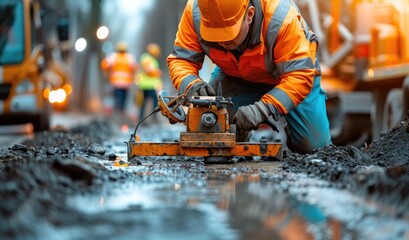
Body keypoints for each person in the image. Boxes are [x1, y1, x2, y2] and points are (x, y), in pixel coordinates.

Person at [167, 0, 331, 154]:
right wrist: (192, 85)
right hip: (236, 75)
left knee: (314, 148)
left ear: (250, 15)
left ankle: (296, 128)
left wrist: (263, 109)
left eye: (228, 34)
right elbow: (181, 60)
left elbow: (299, 75)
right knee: (214, 132)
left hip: (291, 77)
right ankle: (240, 131)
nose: (221, 42)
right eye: (214, 35)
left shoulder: (280, 18)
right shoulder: (197, 11)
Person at [101, 41, 137, 119]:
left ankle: (118, 113)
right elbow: (134, 67)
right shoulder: (129, 57)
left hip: (116, 82)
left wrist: (107, 71)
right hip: (126, 83)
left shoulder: (114, 56)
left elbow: (105, 65)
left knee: (117, 98)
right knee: (124, 98)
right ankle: (121, 112)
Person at [135, 42, 163, 122]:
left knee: (145, 103)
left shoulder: (149, 59)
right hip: (147, 85)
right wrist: (158, 72)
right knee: (153, 102)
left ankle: (143, 119)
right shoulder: (147, 58)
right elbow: (148, 70)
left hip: (148, 85)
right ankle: (153, 119)